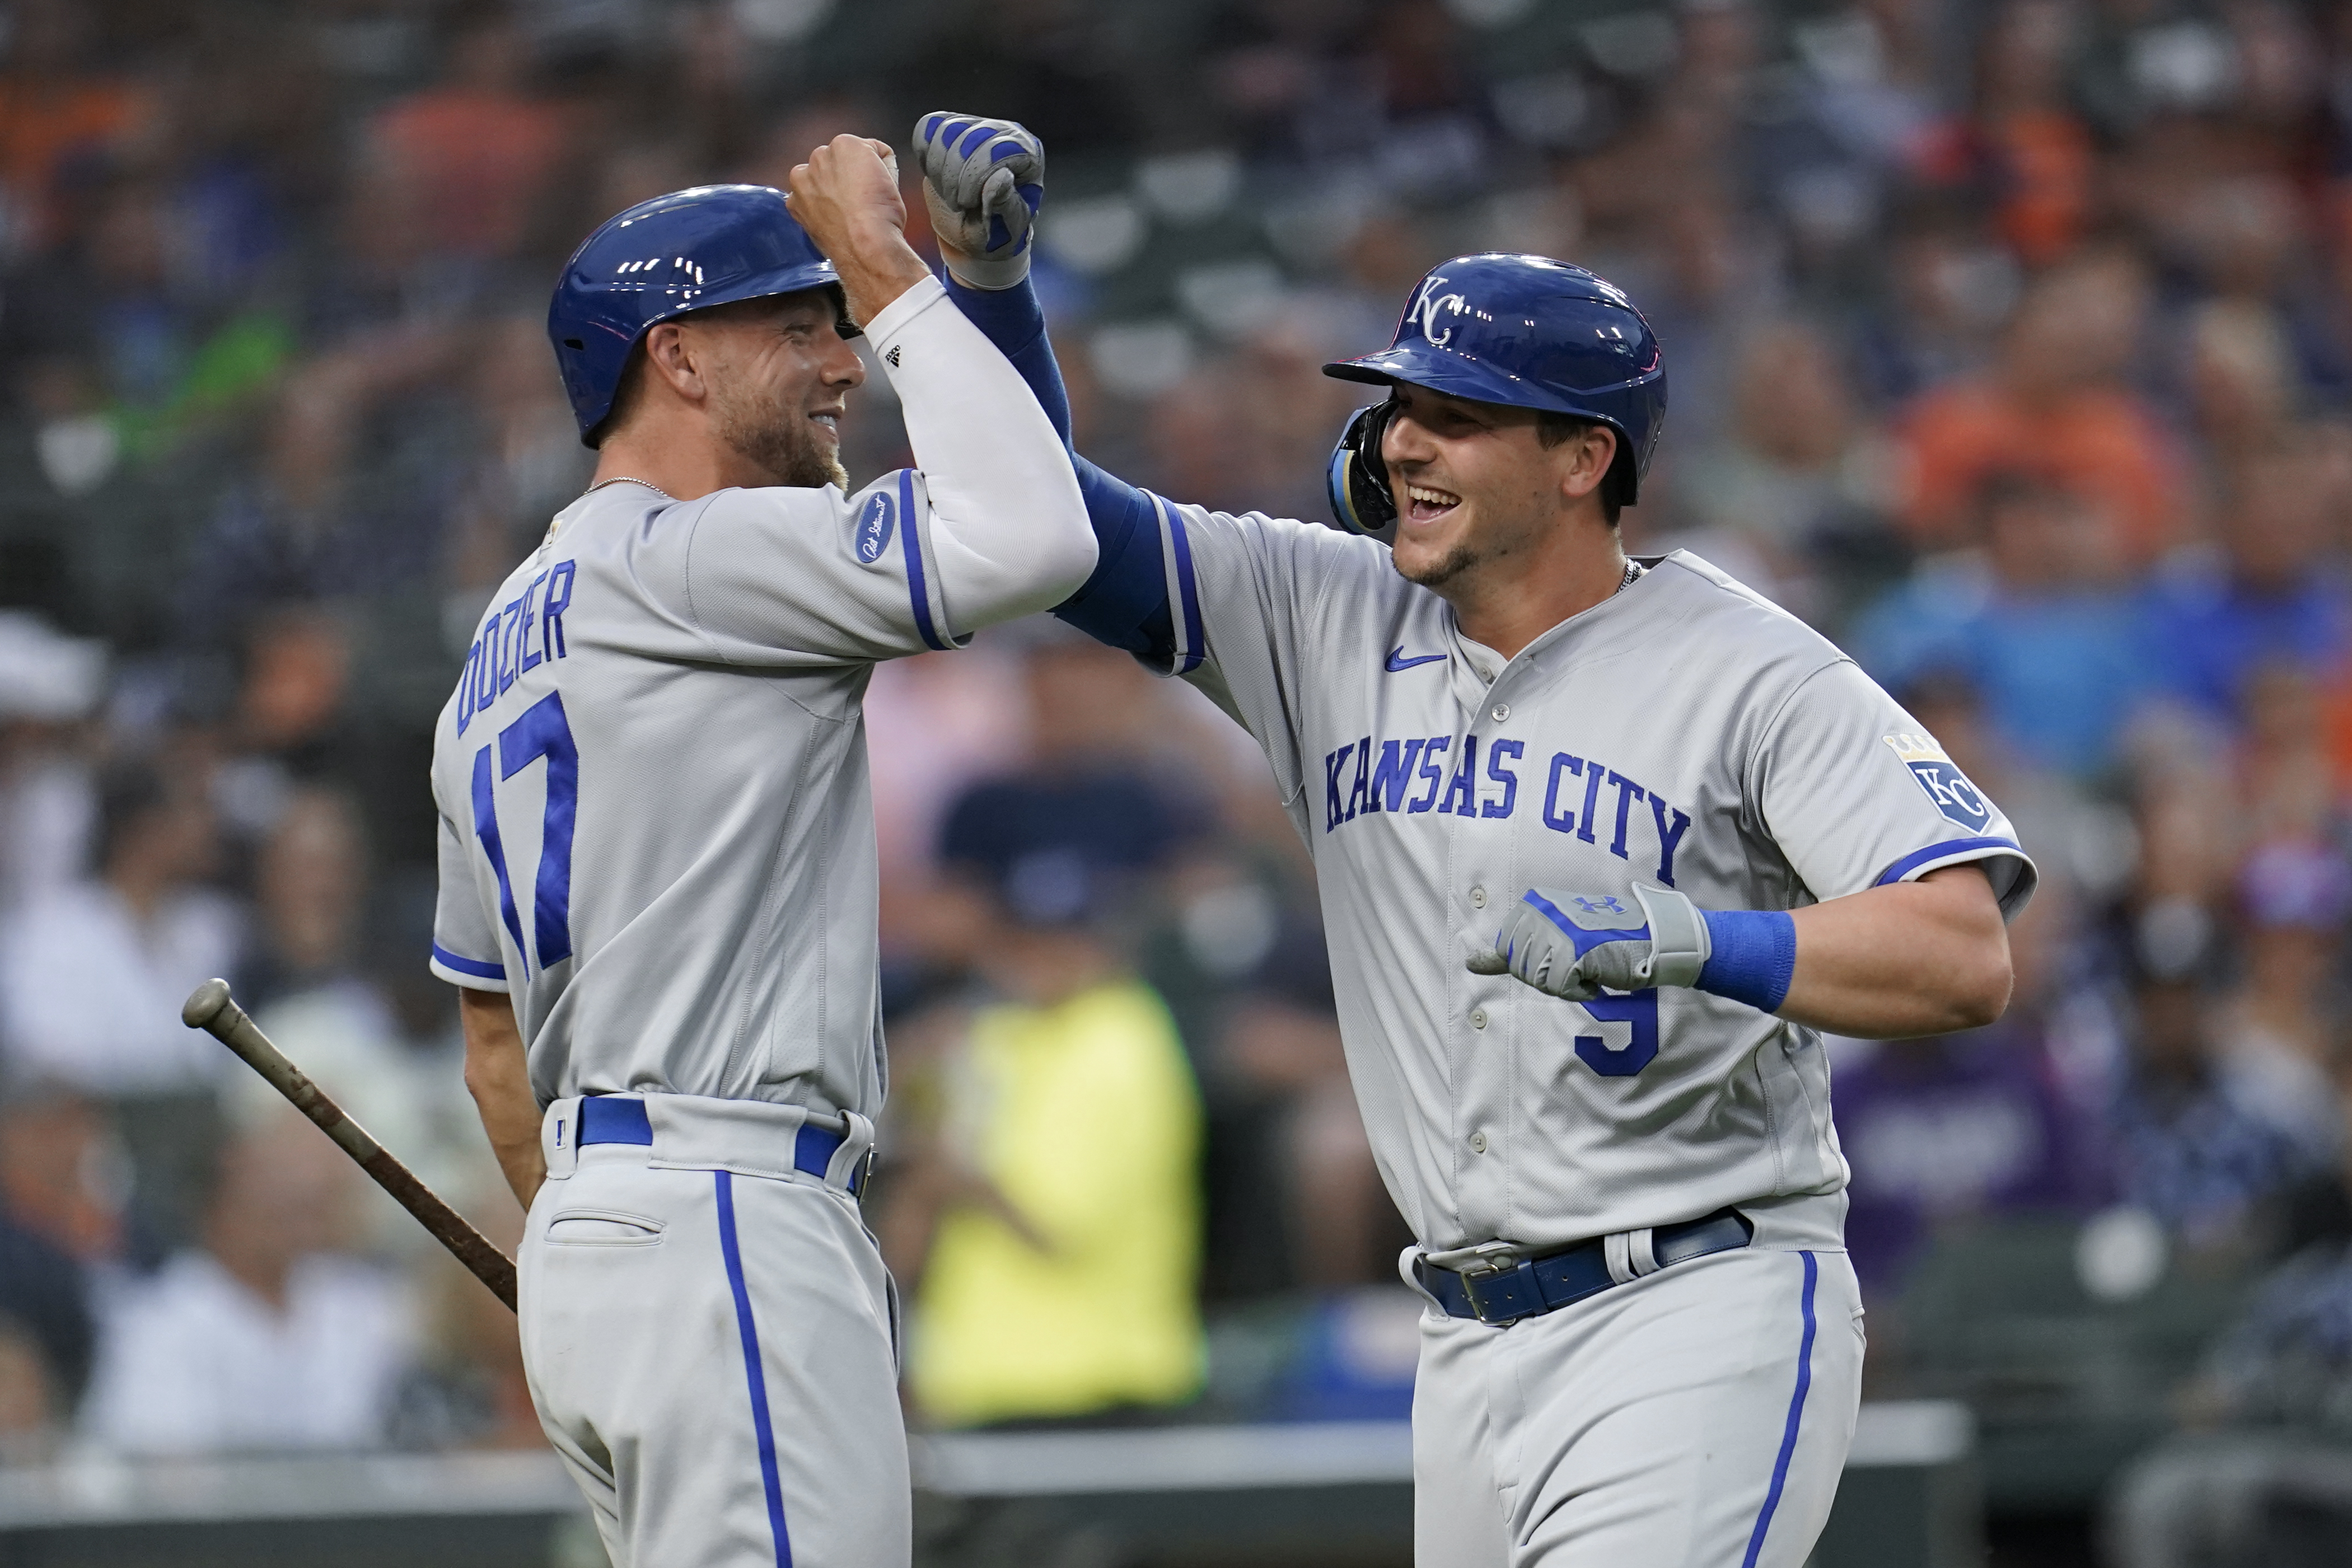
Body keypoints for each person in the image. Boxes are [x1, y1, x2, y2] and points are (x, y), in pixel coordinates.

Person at [916, 112, 2036, 1566]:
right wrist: (985, 297)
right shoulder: (1317, 609)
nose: (1400, 441)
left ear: (1583, 458)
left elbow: (1963, 949)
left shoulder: (1755, 670)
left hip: (1694, 1304)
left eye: (1454, 415)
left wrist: (1698, 937)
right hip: (1460, 1336)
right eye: (1395, 409)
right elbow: (1044, 531)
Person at [429, 140, 1091, 1567]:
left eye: (837, 323)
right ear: (674, 358)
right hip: (728, 1210)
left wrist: (594, 1247)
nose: (842, 360)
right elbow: (1039, 532)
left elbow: (494, 1044)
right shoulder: (697, 560)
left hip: (608, 1240)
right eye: (796, 326)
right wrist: (899, 266)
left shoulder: (498, 644)